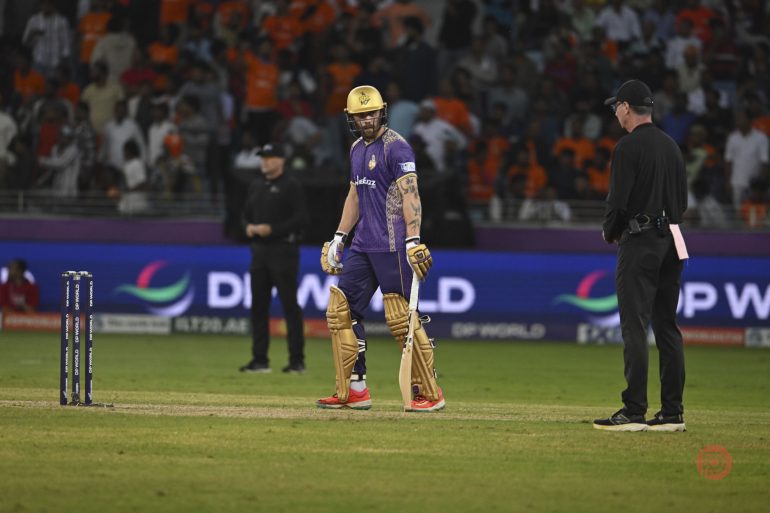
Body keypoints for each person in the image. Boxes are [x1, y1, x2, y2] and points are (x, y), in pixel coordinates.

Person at [316, 85, 445, 412]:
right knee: (340, 312)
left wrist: (413, 239)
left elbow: (411, 195)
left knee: (402, 319)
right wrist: (340, 237)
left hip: (392, 247)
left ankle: (429, 392)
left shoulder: (396, 148)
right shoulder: (357, 148)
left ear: (382, 111)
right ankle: (355, 388)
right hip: (362, 246)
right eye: (360, 116)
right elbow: (355, 195)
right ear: (351, 119)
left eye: (371, 113)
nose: (367, 120)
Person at [595, 80, 689, 432]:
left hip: (640, 240)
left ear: (625, 107)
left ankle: (634, 410)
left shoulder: (627, 148)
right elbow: (682, 202)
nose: (615, 114)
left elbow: (617, 201)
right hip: (673, 239)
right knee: (667, 326)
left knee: (635, 326)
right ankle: (672, 412)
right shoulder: (671, 146)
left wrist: (610, 231)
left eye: (616, 107)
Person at [239, 142, 308, 374]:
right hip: (259, 252)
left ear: (281, 160)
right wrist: (248, 227)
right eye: (262, 158)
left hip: (283, 250)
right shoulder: (256, 185)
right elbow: (245, 214)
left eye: (269, 157)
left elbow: (300, 218)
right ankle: (260, 360)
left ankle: (297, 361)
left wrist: (273, 229)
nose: (264, 162)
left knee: (290, 306)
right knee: (258, 306)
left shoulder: (292, 186)